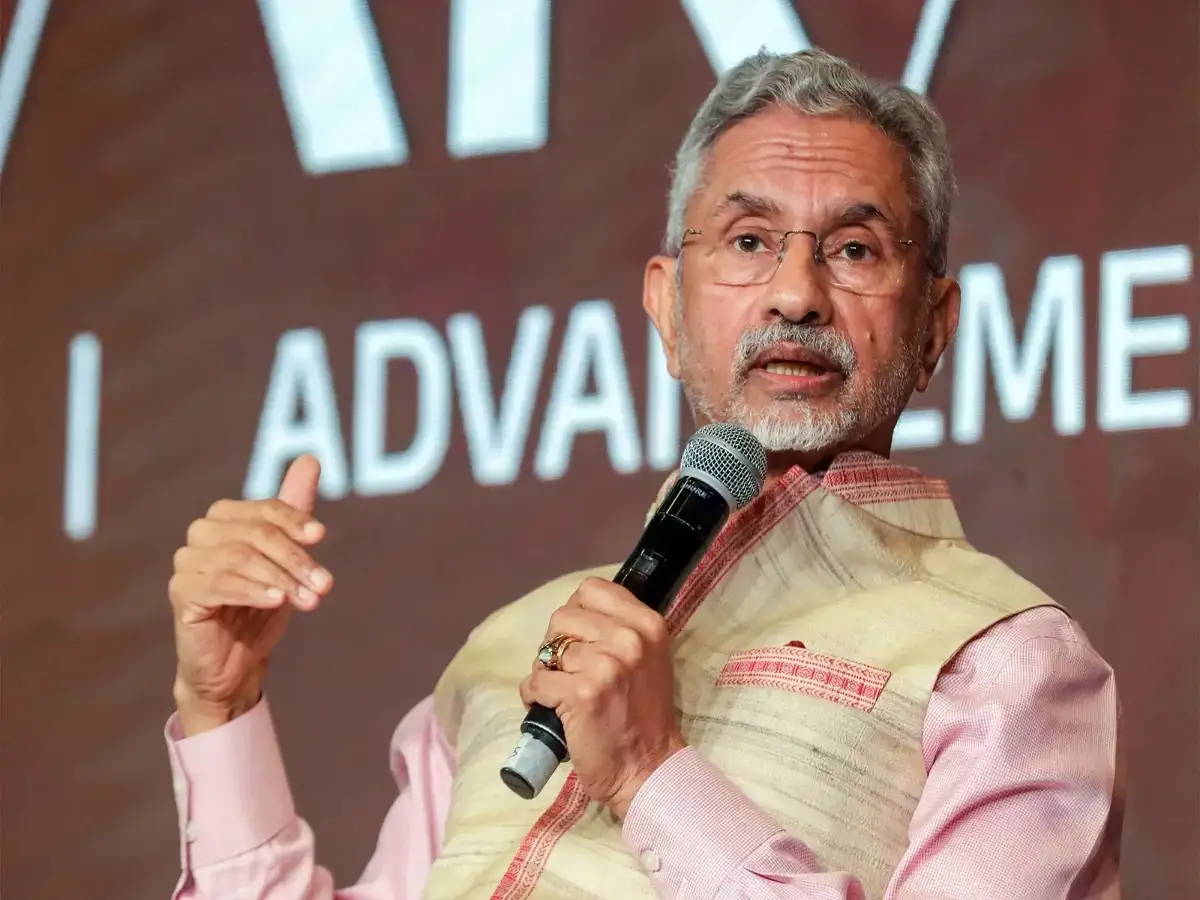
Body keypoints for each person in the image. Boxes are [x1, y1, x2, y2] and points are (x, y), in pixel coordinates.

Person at [165, 49, 1121, 900]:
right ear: (666, 309)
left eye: (854, 250)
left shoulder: (1003, 661)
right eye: (748, 241)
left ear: (935, 329)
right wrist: (223, 708)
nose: (796, 293)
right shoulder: (513, 649)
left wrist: (651, 774)